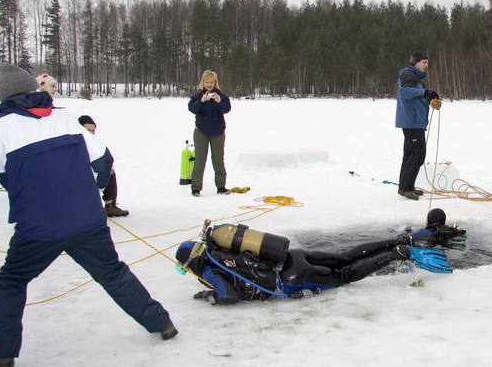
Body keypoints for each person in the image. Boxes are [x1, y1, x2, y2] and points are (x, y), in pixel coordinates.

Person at [0, 64, 176, 367]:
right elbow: (103, 158)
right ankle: (162, 323)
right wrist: (97, 192)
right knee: (113, 272)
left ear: (4, 96)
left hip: (39, 228)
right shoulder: (63, 116)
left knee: (10, 281)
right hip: (88, 219)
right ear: (33, 90)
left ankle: (2, 358)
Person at [176, 223, 451, 305]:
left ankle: (398, 253)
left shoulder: (209, 269)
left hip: (291, 277)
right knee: (344, 256)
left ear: (190, 264)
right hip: (293, 255)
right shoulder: (216, 246)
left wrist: (211, 294)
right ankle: (399, 239)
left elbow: (229, 295)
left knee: (344, 274)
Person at [395, 51, 441, 201]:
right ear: (416, 62)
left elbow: (417, 97)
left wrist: (430, 101)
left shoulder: (416, 78)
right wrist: (426, 92)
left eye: (427, 62)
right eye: (424, 62)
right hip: (412, 121)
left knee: (410, 155)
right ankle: (406, 188)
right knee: (418, 154)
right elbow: (405, 92)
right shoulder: (408, 74)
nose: (427, 65)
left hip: (414, 121)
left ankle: (405, 187)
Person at [188, 70, 231, 197]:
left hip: (218, 132)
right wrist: (202, 101)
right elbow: (192, 109)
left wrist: (219, 102)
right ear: (203, 83)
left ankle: (221, 186)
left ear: (215, 83)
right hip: (201, 131)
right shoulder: (197, 97)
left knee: (218, 160)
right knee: (200, 160)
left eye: (211, 82)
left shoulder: (221, 96)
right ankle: (196, 188)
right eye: (207, 82)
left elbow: (226, 109)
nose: (209, 85)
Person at [78, 115, 129, 217]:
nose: (91, 133)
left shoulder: (95, 143)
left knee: (109, 170)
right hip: (77, 177)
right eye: (88, 130)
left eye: (93, 131)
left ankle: (110, 205)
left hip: (92, 173)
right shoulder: (74, 142)